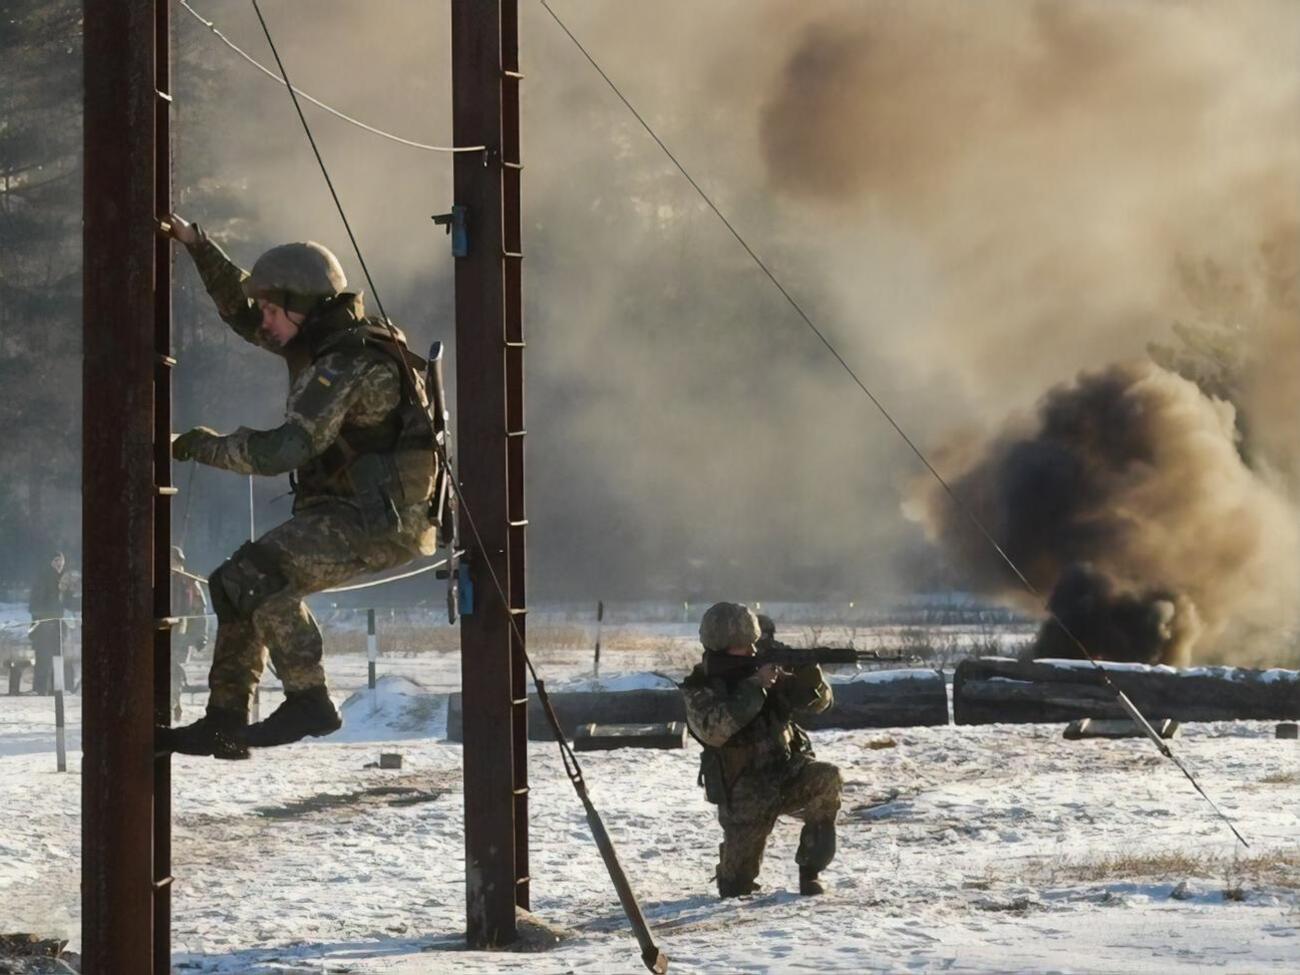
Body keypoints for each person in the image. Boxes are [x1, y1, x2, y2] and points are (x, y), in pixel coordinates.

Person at [160, 213, 441, 760]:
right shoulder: (320, 335)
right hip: (355, 510)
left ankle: (309, 699)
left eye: (273, 309)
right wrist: (198, 244)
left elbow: (283, 450)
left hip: (378, 521)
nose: (264, 321)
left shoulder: (347, 362)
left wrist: (197, 446)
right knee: (231, 583)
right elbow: (246, 314)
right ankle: (224, 720)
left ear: (302, 305)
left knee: (252, 574)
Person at [681, 601, 842, 898]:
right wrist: (755, 686)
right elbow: (715, 731)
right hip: (744, 793)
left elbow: (819, 704)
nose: (752, 651)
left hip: (785, 772)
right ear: (721, 648)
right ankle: (730, 868)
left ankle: (810, 873)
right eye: (743, 646)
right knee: (736, 888)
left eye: (753, 644)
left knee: (827, 778)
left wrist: (808, 676)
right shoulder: (701, 686)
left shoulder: (765, 668)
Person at [169, 546, 210, 721]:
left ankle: (172, 702)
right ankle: (172, 702)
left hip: (181, 634)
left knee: (174, 668)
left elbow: (200, 610)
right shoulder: (157, 580)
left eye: (173, 561)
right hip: (159, 633)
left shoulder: (189, 584)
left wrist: (202, 635)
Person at [28, 551, 68, 695]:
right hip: (45, 625)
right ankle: (41, 689)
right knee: (44, 657)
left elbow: (66, 602)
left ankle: (56, 689)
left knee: (59, 656)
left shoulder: (63, 579)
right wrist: (47, 618)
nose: (60, 563)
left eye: (62, 560)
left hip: (58, 624)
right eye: (56, 560)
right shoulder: (44, 578)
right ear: (51, 562)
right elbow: (34, 605)